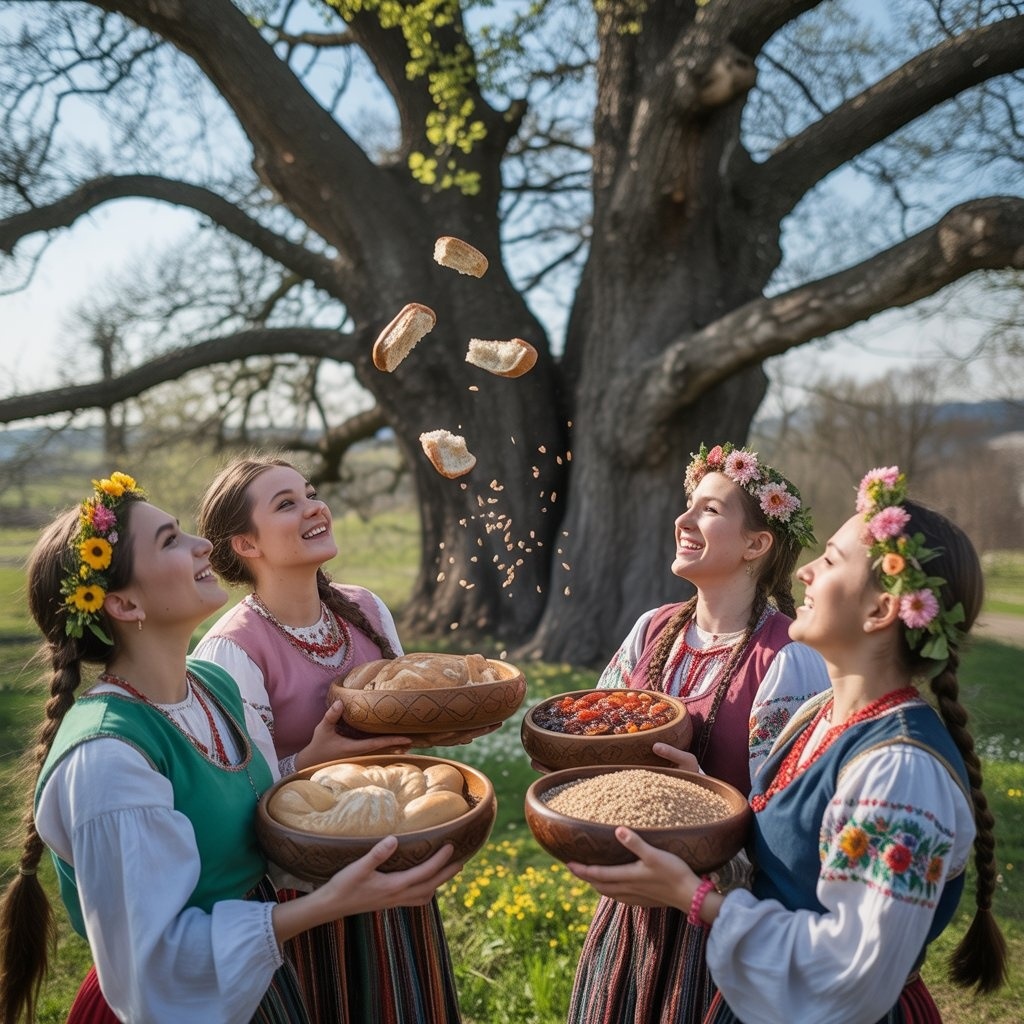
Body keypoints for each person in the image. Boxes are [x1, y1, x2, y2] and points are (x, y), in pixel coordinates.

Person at [0, 472, 460, 1024]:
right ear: (123, 604)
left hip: (262, 984)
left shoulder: (211, 688)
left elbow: (265, 815)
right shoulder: (107, 758)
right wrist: (326, 905)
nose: (202, 546)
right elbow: (154, 971)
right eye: (171, 540)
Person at [568, 466, 1008, 1023]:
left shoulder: (899, 773)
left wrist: (696, 899)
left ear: (879, 611)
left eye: (829, 560)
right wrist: (694, 797)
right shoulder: (816, 718)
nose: (802, 572)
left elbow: (852, 977)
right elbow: (774, 850)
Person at [192, 455, 465, 1024]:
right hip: (306, 892)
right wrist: (307, 761)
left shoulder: (365, 608)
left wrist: (448, 719)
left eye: (310, 493)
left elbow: (404, 716)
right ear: (246, 543)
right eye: (286, 504)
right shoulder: (231, 650)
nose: (315, 507)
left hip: (397, 847)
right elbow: (233, 800)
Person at [566, 442, 831, 1024]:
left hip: (723, 917)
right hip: (631, 904)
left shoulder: (787, 659)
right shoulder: (650, 628)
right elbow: (593, 737)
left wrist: (704, 797)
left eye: (710, 510)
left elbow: (790, 823)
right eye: (689, 506)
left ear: (756, 544)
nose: (683, 521)